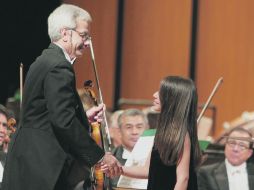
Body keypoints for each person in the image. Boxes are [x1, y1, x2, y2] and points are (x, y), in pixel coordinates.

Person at [2, 4, 122, 190]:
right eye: (83, 35)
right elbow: (63, 120)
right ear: (66, 33)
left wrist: (83, 118)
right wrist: (99, 156)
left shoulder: (44, 59)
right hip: (42, 165)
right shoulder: (59, 66)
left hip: (30, 160)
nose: (87, 42)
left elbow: (47, 113)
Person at [119, 76, 202, 190]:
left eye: (161, 92)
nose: (154, 94)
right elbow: (148, 170)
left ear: (172, 99)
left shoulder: (181, 135)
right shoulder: (162, 132)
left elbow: (183, 179)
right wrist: (118, 168)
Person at [109, 108, 148, 188]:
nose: (134, 132)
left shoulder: (158, 157)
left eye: (139, 127)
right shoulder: (111, 159)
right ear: (119, 131)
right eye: (129, 127)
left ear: (147, 129)